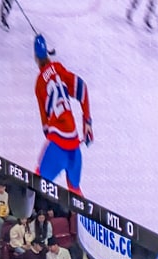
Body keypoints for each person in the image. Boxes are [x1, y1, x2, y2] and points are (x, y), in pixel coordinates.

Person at [33, 36, 92, 194]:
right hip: (75, 147)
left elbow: (45, 126)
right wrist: (87, 122)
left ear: (35, 57)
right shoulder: (59, 68)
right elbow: (83, 88)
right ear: (47, 53)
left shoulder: (39, 84)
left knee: (34, 187)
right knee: (76, 194)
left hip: (56, 147)